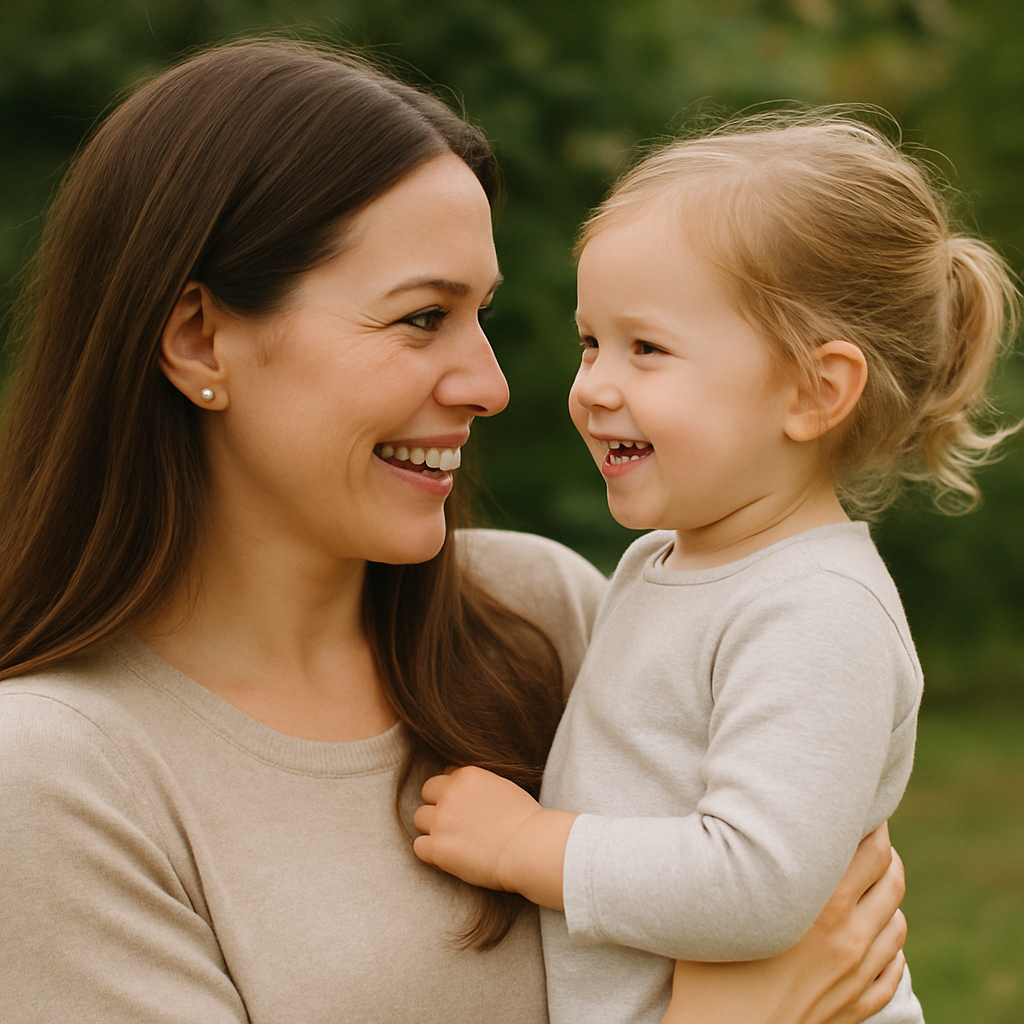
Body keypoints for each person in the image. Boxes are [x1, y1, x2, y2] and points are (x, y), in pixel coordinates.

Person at [0, 43, 907, 1023]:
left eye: (482, 315)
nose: (492, 385)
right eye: (422, 318)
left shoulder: (548, 616)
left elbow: (797, 899)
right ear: (198, 338)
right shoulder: (53, 778)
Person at [412, 113, 1020, 1023]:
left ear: (814, 393)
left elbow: (756, 882)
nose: (594, 386)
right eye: (591, 342)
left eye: (646, 348)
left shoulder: (816, 610)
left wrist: (530, 845)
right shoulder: (665, 564)